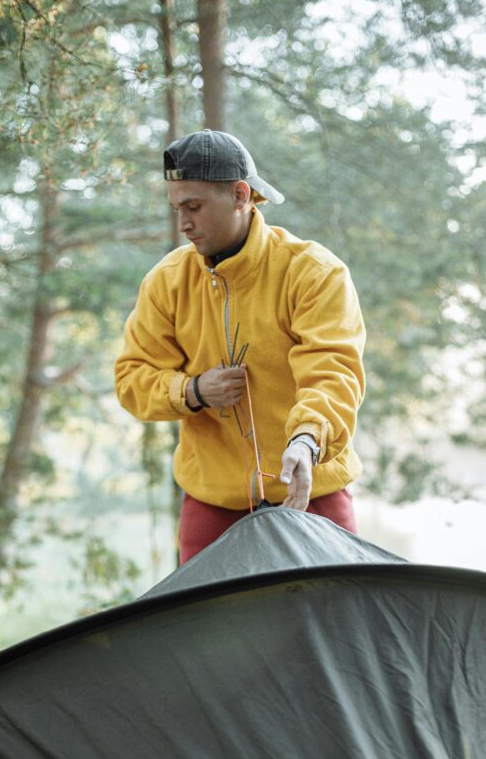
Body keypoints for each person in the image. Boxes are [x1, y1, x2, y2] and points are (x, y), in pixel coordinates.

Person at [115, 129, 365, 563]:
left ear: (240, 194)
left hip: (310, 492)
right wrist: (193, 392)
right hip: (212, 505)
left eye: (194, 207)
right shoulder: (167, 281)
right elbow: (132, 379)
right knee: (208, 631)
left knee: (335, 628)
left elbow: (333, 373)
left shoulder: (314, 272)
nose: (183, 224)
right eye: (176, 208)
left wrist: (306, 441)